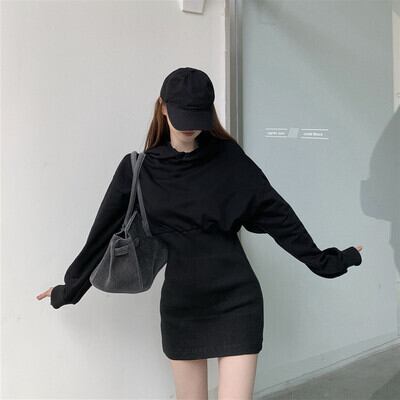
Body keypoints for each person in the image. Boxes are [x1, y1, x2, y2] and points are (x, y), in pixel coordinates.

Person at [37, 67, 363, 399]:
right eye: (184, 114)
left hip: (237, 301)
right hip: (182, 307)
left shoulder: (229, 159)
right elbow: (102, 235)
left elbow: (278, 216)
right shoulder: (138, 170)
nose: (191, 125)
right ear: (163, 107)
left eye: (199, 115)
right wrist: (70, 290)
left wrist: (326, 261)